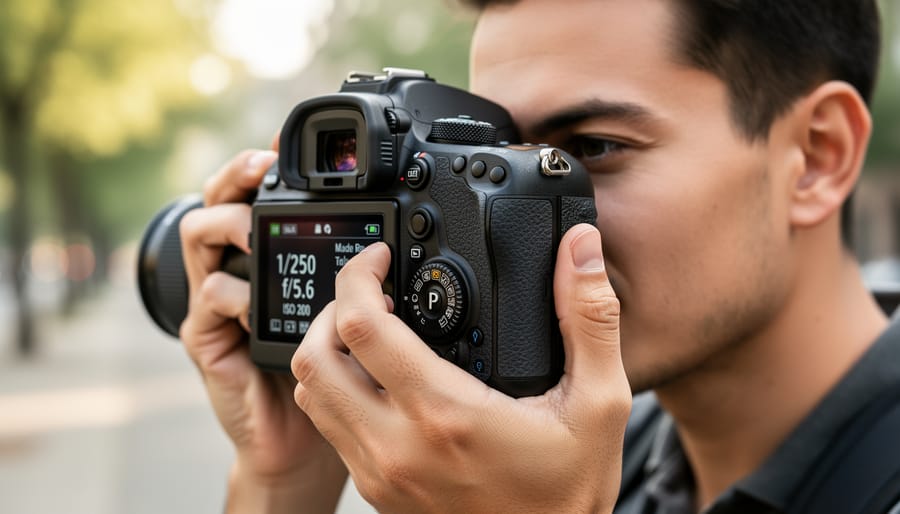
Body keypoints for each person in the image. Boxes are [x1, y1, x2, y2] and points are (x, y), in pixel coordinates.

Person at [177, 0, 896, 512]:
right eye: (489, 160)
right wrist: (284, 483)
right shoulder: (586, 459)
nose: (512, 222)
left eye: (587, 151)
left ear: (816, 156)